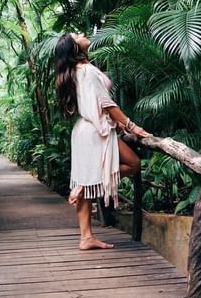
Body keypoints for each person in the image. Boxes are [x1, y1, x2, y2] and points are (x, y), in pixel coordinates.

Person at [55, 32, 151, 250]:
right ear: (74, 48)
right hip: (95, 132)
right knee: (134, 163)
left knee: (86, 182)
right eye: (76, 35)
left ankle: (86, 237)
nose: (81, 33)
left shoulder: (75, 72)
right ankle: (84, 184)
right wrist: (131, 126)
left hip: (83, 130)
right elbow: (106, 104)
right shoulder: (86, 71)